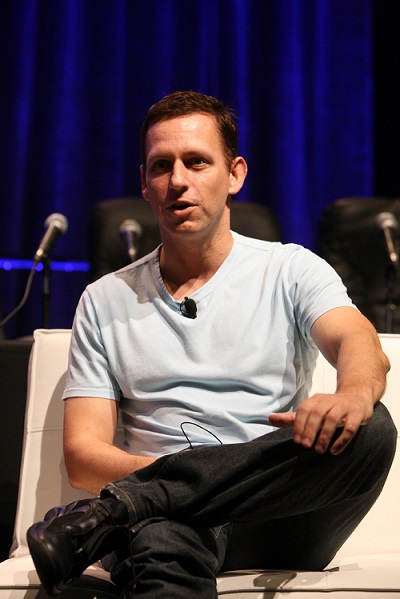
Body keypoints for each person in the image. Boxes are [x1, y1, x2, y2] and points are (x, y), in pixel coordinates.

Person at [27, 91, 396, 598]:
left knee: (372, 426)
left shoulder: (290, 269)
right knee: (161, 537)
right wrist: (184, 495)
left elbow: (358, 338)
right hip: (168, 525)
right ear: (145, 183)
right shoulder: (105, 299)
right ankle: (143, 509)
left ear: (235, 174)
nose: (178, 180)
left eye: (197, 162)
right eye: (162, 166)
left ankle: (122, 508)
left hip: (277, 517)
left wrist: (352, 392)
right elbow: (84, 457)